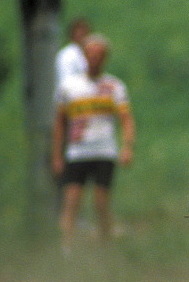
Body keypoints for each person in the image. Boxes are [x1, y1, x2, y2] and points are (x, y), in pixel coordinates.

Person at [52, 34, 135, 251]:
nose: (95, 59)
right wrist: (57, 155)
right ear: (84, 57)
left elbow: (126, 119)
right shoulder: (68, 87)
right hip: (77, 152)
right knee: (71, 201)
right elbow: (60, 123)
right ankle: (66, 248)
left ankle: (105, 245)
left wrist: (127, 147)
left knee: (101, 202)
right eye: (91, 55)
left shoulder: (114, 86)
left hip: (104, 151)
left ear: (105, 58)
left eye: (99, 55)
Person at [56, 17, 91, 87]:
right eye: (79, 33)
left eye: (84, 32)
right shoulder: (66, 55)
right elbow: (65, 81)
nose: (82, 36)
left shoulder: (87, 53)